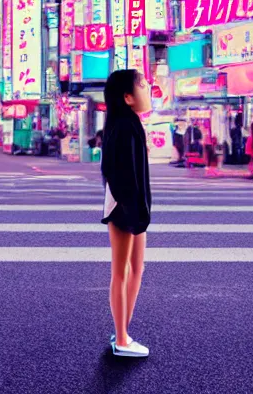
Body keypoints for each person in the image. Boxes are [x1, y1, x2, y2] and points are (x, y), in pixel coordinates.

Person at [101, 69, 153, 358]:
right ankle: (121, 340)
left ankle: (123, 330)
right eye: (143, 85)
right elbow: (117, 174)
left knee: (137, 270)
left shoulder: (130, 123)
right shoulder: (123, 127)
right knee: (120, 272)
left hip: (134, 207)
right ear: (128, 97)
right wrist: (131, 212)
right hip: (124, 207)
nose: (148, 89)